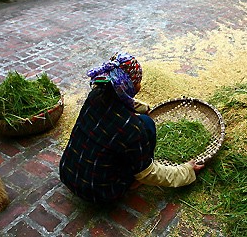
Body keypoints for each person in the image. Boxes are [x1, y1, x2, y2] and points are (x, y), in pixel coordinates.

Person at [59, 52, 205, 204]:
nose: (140, 85)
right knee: (147, 124)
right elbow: (149, 174)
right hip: (100, 192)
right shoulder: (132, 128)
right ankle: (132, 182)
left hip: (67, 173)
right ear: (127, 85)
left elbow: (123, 99)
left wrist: (143, 107)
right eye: (137, 82)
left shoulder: (96, 95)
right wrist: (186, 171)